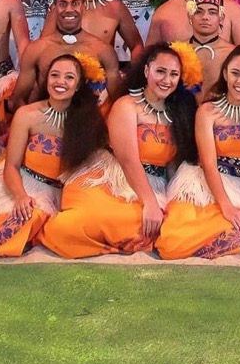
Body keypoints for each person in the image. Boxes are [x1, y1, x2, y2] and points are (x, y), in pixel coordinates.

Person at [0, 53, 106, 258]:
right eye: (55, 75)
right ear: (47, 80)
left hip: (48, 195)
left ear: (78, 85)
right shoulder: (27, 114)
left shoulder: (88, 121)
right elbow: (11, 166)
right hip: (15, 183)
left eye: (69, 77)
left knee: (18, 221)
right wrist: (20, 196)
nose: (60, 82)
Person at [41, 43, 196, 257]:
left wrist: (170, 198)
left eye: (173, 74)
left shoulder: (179, 111)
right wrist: (150, 202)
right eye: (160, 71)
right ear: (146, 71)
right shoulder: (127, 105)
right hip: (115, 179)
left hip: (155, 185)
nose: (166, 80)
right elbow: (128, 160)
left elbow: (171, 163)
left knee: (170, 224)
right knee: (88, 223)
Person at [155, 44, 240, 259]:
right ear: (225, 74)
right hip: (201, 182)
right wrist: (226, 205)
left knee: (227, 230)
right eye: (235, 74)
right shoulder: (207, 111)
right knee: (173, 240)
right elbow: (208, 163)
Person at [11, 0, 120, 108]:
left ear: (83, 7)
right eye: (63, 4)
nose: (69, 9)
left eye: (75, 3)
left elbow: (118, 100)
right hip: (47, 120)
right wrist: (37, 120)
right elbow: (18, 100)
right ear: (55, 8)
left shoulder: (103, 50)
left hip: (87, 121)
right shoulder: (36, 49)